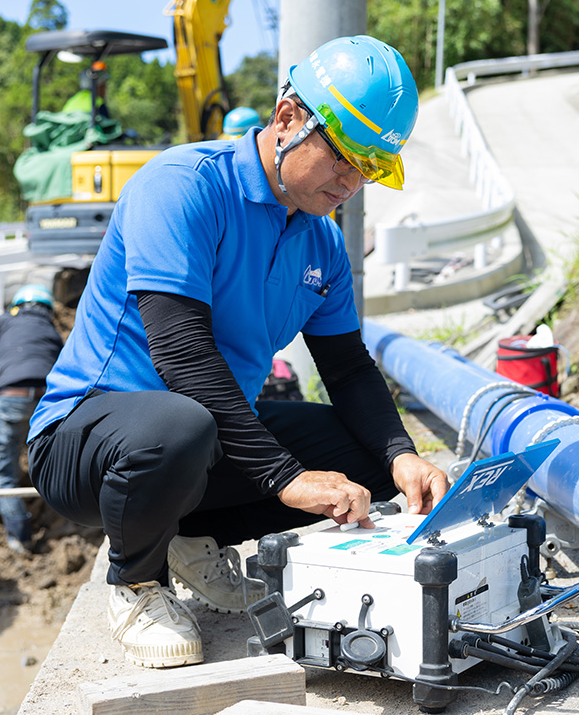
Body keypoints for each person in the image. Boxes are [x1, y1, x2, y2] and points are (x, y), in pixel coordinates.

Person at [27, 35, 448, 670]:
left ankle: (193, 540)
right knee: (179, 424)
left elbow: (348, 367)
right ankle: (137, 583)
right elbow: (180, 351)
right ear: (288, 119)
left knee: (364, 454)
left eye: (370, 169)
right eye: (344, 158)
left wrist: (401, 455)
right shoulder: (181, 186)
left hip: (201, 437)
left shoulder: (322, 244)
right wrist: (286, 478)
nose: (352, 182)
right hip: (91, 440)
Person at [0, 284, 63, 554]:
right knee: (53, 465)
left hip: (11, 397)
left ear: (16, 305)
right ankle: (60, 519)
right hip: (48, 401)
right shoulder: (52, 332)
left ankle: (20, 538)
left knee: (5, 474)